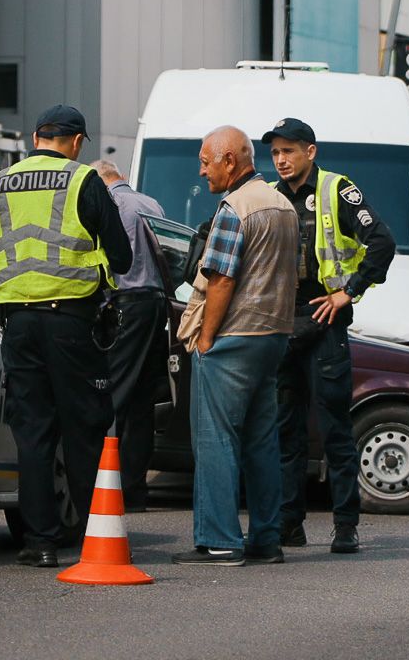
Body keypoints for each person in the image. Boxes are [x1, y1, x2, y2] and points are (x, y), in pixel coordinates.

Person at [0, 105, 133, 568]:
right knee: (85, 426)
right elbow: (122, 255)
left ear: (35, 136)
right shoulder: (82, 180)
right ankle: (94, 538)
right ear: (76, 142)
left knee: (32, 433)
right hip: (70, 320)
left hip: (18, 323)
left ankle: (38, 542)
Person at [261, 117, 396, 554]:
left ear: (310, 152)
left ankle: (345, 525)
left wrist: (348, 292)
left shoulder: (337, 189)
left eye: (289, 151)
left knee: (336, 428)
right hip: (284, 322)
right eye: (276, 152)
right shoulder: (270, 195)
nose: (281, 160)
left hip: (324, 321)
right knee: (286, 432)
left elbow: (382, 243)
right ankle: (289, 524)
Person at [172, 126, 298, 567]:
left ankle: (220, 541)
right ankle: (267, 540)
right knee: (262, 440)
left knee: (215, 439)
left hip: (233, 338)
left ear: (230, 160)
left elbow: (222, 278)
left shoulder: (234, 207)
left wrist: (205, 339)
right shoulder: (282, 204)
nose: (203, 171)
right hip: (274, 336)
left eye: (207, 162)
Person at [89, 160, 168, 512]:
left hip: (125, 306)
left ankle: (102, 484)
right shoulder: (151, 204)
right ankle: (135, 489)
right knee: (141, 403)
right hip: (157, 305)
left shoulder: (112, 205)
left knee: (114, 394)